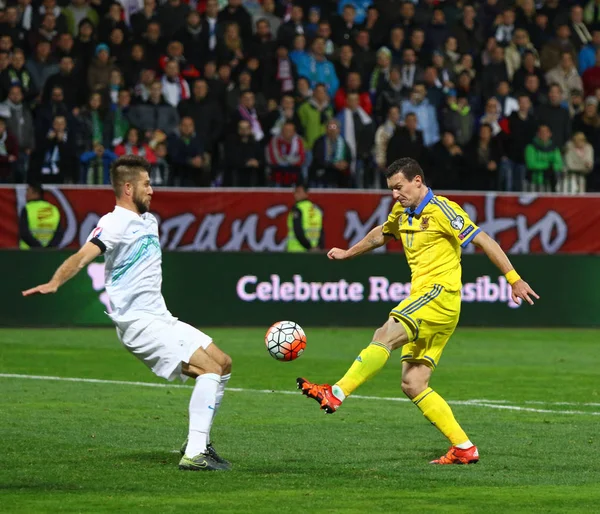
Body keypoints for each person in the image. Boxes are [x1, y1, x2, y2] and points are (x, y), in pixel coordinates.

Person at [297, 157, 539, 465]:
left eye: (399, 187)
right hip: (436, 305)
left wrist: (513, 279)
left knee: (383, 334)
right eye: (391, 189)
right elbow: (381, 233)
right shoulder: (402, 211)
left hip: (439, 296)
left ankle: (336, 392)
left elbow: (484, 240)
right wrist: (348, 253)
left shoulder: (443, 210)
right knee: (413, 383)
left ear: (417, 182)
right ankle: (464, 447)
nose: (395, 195)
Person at [22, 155, 233, 472]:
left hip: (161, 317)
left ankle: (198, 443)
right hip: (139, 322)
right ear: (128, 187)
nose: (152, 190)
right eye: (147, 184)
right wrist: (55, 281)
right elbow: (82, 257)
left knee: (223, 363)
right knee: (210, 371)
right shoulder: (113, 223)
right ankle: (194, 454)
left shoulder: (149, 221)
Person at [19, 183, 63, 249]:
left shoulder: (27, 209)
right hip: (49, 254)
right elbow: (59, 234)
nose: (26, 195)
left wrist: (39, 248)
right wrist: (48, 249)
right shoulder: (54, 209)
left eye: (28, 191)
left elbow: (24, 233)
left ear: (36, 193)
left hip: (28, 253)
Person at [287, 183, 324, 253]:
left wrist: (309, 247)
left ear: (306, 193)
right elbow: (321, 232)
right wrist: (318, 247)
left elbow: (298, 231)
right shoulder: (316, 209)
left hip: (296, 250)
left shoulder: (298, 209)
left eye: (298, 191)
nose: (295, 194)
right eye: (295, 191)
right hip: (314, 251)